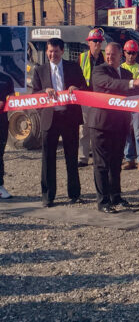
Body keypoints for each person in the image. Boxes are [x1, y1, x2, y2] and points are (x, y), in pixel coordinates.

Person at [88, 42, 139, 213]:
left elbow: (133, 95)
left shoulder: (127, 73)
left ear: (120, 55)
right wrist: (132, 83)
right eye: (107, 54)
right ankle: (103, 201)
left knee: (115, 163)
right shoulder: (100, 70)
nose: (109, 57)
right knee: (101, 164)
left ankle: (116, 196)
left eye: (113, 54)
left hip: (120, 124)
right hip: (101, 124)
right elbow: (111, 84)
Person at [32, 37, 87, 207]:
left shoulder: (73, 67)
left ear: (62, 51)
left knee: (71, 157)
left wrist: (76, 89)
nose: (52, 54)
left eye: (56, 51)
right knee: (48, 159)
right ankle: (48, 196)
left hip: (69, 118)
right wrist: (43, 92)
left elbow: (84, 88)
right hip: (50, 119)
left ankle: (74, 193)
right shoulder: (39, 70)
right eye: (50, 51)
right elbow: (34, 95)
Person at [78, 27, 105, 167]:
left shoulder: (106, 57)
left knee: (99, 129)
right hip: (86, 97)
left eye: (99, 41)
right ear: (89, 43)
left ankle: (97, 156)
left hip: (101, 98)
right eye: (94, 41)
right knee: (84, 129)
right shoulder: (81, 58)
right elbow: (77, 77)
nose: (97, 44)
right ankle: (83, 158)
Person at [121, 40, 139, 173]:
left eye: (133, 53)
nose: (131, 55)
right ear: (124, 53)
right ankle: (129, 159)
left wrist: (129, 85)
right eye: (128, 53)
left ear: (136, 54)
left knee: (138, 133)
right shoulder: (120, 68)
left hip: (137, 104)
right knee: (126, 132)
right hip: (124, 103)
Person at [0, 70, 14, 199]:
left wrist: (10, 100)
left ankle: (0, 186)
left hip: (2, 122)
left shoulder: (6, 79)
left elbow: (12, 97)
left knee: (0, 154)